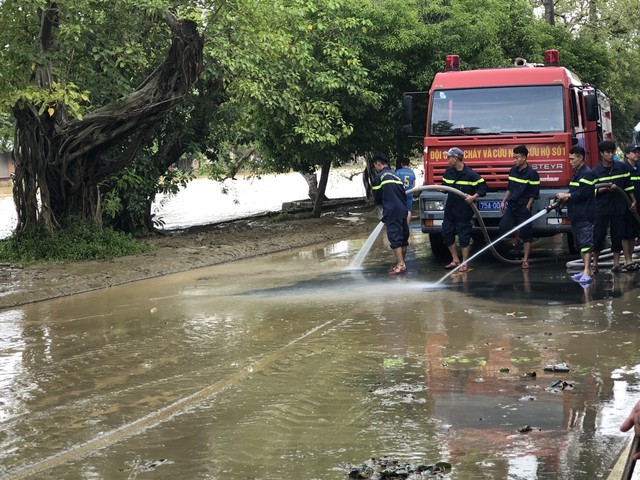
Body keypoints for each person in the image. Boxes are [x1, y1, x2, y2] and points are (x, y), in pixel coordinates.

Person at [592, 140, 636, 273]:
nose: (611, 155)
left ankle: (616, 264)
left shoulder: (621, 168)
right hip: (602, 208)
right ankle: (594, 264)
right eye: (608, 152)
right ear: (601, 154)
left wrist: (633, 201)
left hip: (619, 207)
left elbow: (628, 186)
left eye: (612, 152)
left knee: (617, 235)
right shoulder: (595, 171)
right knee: (599, 235)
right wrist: (606, 187)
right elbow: (592, 190)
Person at [440, 147, 486, 272]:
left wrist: (473, 197)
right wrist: (439, 188)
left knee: (463, 235)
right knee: (446, 233)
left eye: (449, 158)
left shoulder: (471, 174)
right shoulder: (448, 172)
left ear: (456, 158)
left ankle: (464, 262)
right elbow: (445, 187)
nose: (447, 160)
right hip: (450, 209)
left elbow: (482, 188)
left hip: (464, 210)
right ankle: (455, 260)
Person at [555, 145, 596, 284]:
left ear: (581, 158)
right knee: (578, 243)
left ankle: (587, 271)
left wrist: (567, 195)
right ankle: (585, 270)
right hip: (575, 214)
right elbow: (574, 192)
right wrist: (563, 200)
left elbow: (584, 193)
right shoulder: (577, 173)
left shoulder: (587, 173)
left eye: (572, 159)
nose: (570, 162)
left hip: (584, 214)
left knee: (586, 243)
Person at [499, 145, 540, 270]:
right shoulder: (513, 171)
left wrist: (528, 206)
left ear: (524, 158)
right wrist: (503, 201)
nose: (514, 160)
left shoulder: (532, 174)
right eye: (513, 158)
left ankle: (525, 260)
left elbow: (534, 193)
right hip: (512, 206)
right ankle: (517, 235)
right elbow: (509, 188)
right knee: (504, 227)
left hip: (523, 207)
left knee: (527, 233)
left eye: (516, 158)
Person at [371, 152, 410, 275]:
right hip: (403, 210)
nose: (375, 168)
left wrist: (381, 208)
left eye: (375, 166)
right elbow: (403, 194)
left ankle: (400, 264)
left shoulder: (380, 177)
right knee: (403, 238)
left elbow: (377, 197)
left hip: (392, 211)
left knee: (394, 238)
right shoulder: (396, 175)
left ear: (378, 164)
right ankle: (402, 263)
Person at [621, 143, 640, 272]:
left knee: (634, 233)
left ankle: (631, 259)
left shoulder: (639, 167)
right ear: (627, 154)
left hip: (638, 205)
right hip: (627, 205)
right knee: (626, 233)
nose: (637, 154)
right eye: (634, 152)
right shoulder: (623, 168)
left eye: (638, 152)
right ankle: (627, 259)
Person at [396, 158, 416, 223]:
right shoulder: (412, 172)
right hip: (409, 193)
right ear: (409, 164)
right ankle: (406, 225)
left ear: (401, 164)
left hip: (400, 193)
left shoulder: (398, 172)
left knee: (399, 209)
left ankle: (400, 224)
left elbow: (395, 184)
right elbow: (414, 185)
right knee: (409, 210)